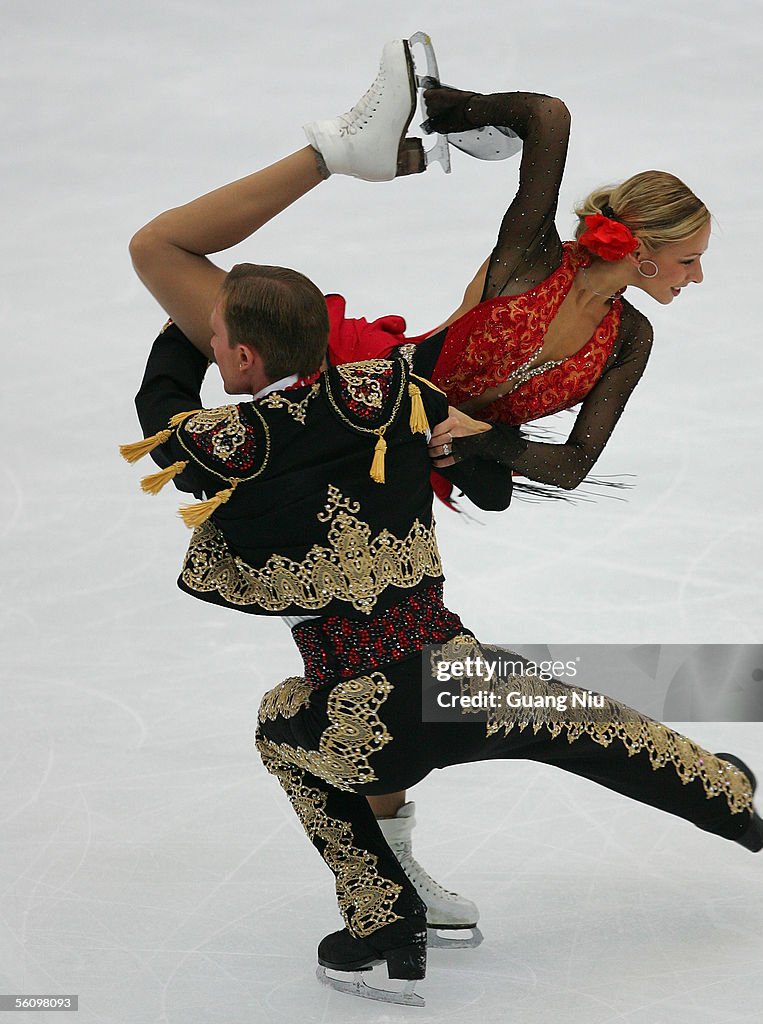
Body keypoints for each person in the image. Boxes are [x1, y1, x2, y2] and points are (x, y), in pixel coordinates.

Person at [126, 33, 712, 954]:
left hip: (424, 456)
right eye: (688, 262)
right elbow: (547, 117)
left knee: (370, 668)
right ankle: (337, 153)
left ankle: (391, 876)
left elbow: (570, 469)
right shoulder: (533, 258)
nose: (698, 279)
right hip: (370, 397)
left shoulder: (629, 340)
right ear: (643, 252)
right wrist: (444, 114)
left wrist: (488, 440)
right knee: (159, 250)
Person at [122, 265, 763, 1007]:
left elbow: (162, 412)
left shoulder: (230, 441)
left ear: (242, 361)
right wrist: (460, 448)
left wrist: (178, 333)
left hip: (363, 721)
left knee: (279, 724)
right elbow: (491, 490)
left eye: (216, 337)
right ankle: (727, 794)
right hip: (460, 676)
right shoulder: (392, 393)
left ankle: (384, 921)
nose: (210, 340)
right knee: (594, 723)